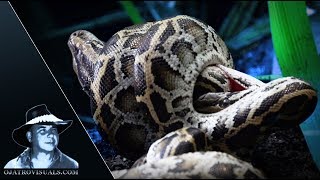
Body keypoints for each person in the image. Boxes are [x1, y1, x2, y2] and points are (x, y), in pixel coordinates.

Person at [4, 104, 79, 169]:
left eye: (53, 129)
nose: (50, 135)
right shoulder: (13, 166)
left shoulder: (72, 165)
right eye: (42, 131)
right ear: (30, 136)